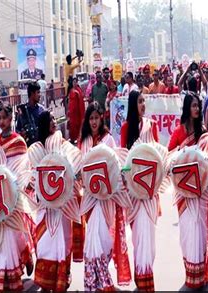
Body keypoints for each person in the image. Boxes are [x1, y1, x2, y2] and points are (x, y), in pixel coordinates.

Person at [78, 102, 130, 290]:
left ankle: (103, 279)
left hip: (107, 200)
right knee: (92, 242)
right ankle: (97, 283)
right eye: (90, 118)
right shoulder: (83, 142)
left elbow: (117, 168)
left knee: (104, 241)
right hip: (90, 201)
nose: (93, 122)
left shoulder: (108, 140)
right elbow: (79, 169)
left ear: (102, 118)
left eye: (96, 118)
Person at [167, 93, 208, 289]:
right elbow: (168, 158)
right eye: (194, 106)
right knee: (188, 232)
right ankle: (191, 274)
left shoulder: (203, 133)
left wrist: (207, 166)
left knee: (201, 230)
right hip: (184, 192)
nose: (197, 109)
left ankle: (202, 275)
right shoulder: (179, 132)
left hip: (201, 191)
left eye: (198, 106)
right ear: (187, 108)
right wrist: (184, 154)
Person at [120, 90, 160, 291]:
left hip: (150, 188)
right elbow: (123, 160)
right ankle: (144, 278)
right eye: (139, 101)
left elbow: (158, 156)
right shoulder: (126, 127)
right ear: (132, 104)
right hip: (134, 191)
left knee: (150, 238)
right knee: (138, 235)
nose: (143, 104)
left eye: (144, 100)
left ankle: (147, 271)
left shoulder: (151, 125)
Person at [0, 104, 34, 291]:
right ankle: (6, 276)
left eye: (5, 118)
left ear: (11, 119)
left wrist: (14, 187)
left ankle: (24, 257)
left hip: (15, 195)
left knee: (18, 233)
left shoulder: (18, 142)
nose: (2, 121)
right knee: (4, 237)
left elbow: (23, 168)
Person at [33, 110, 74, 291]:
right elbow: (32, 177)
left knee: (63, 242)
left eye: (53, 119)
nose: (54, 122)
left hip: (62, 205)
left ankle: (62, 279)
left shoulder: (64, 145)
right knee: (45, 244)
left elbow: (73, 166)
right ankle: (46, 280)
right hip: (44, 206)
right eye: (49, 120)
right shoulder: (36, 150)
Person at [15, 82, 45, 146]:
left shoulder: (41, 110)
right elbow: (18, 130)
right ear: (32, 93)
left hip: (41, 146)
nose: (40, 95)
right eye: (38, 92)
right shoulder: (22, 111)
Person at [67, 77, 86, 143]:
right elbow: (69, 101)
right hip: (71, 112)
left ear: (77, 82)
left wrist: (81, 112)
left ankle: (77, 138)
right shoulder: (71, 90)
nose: (74, 83)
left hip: (77, 112)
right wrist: (68, 110)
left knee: (77, 125)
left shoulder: (78, 91)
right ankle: (71, 138)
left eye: (75, 82)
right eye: (73, 82)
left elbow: (81, 103)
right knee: (71, 125)